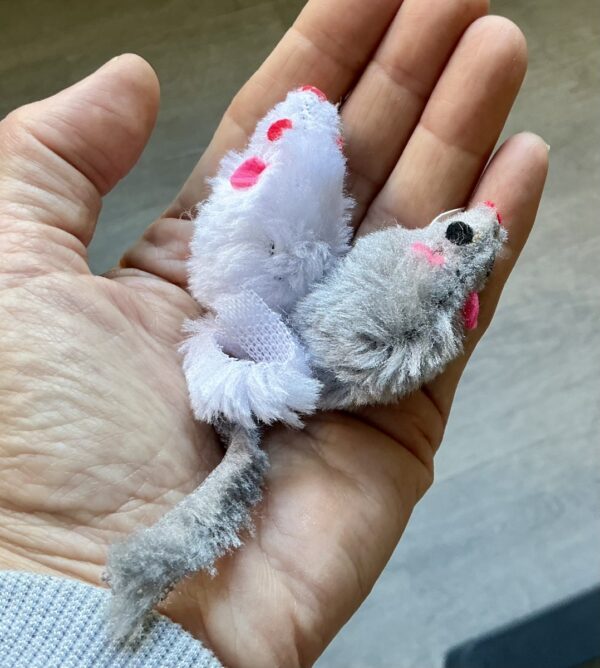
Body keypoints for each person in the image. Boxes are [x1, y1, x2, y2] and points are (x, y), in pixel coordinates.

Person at [0, 0, 548, 665]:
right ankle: (288, 162)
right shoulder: (376, 274)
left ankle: (286, 166)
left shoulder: (407, 315)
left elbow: (395, 353)